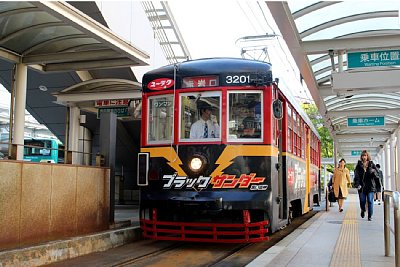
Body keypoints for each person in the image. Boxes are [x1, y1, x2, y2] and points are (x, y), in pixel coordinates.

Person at [353, 150, 378, 221]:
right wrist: (357, 184)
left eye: (365, 155)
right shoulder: (359, 165)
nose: (364, 157)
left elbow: (377, 174)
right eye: (363, 156)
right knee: (362, 201)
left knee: (370, 201)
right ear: (361, 157)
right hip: (361, 187)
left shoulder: (371, 164)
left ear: (368, 156)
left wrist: (373, 172)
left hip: (370, 186)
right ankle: (363, 210)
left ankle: (370, 216)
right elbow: (356, 176)